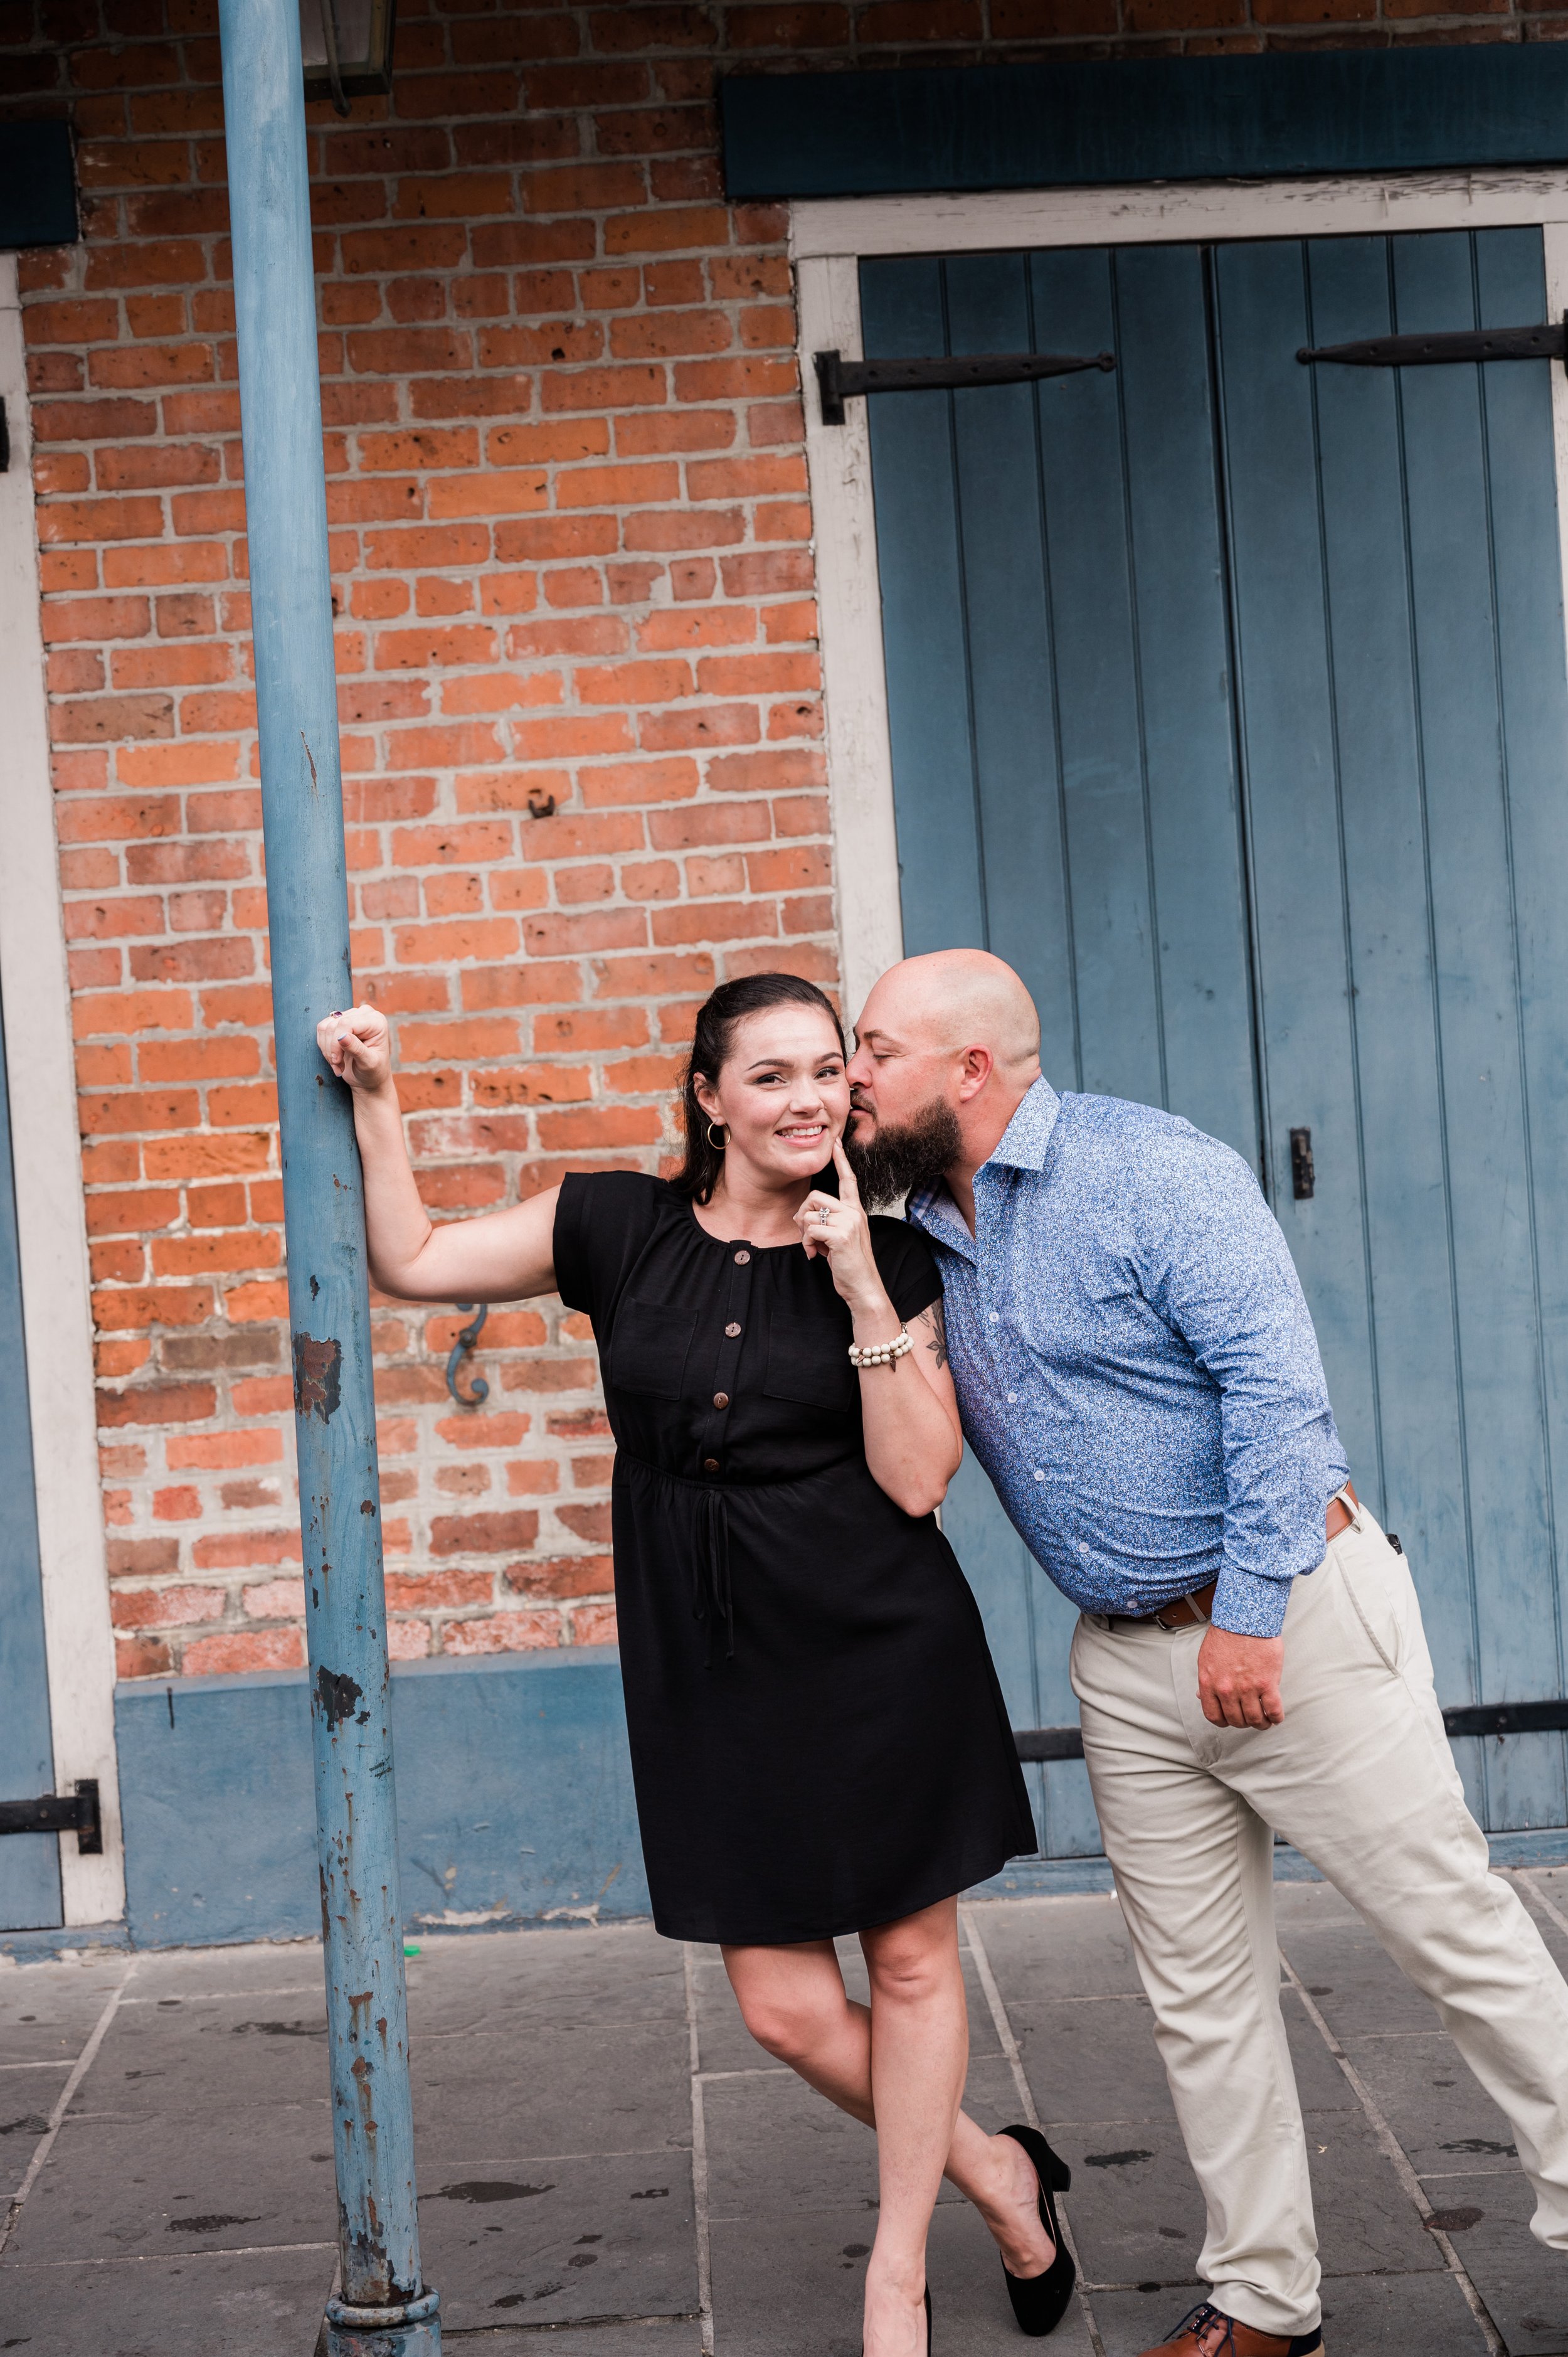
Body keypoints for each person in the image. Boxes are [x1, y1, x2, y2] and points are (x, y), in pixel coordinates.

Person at [317, 971, 1074, 2357]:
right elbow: (413, 1256)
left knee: (909, 1964)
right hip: (709, 1652)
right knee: (782, 2005)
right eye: (769, 1075)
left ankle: (894, 2278)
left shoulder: (896, 1256)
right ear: (708, 1097)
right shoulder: (613, 1222)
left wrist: (852, 1278)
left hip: (875, 1640)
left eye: (827, 1071)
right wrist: (378, 1101)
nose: (808, 1099)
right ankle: (995, 2167)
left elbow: (916, 1482)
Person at [841, 946, 1568, 2357]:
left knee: (1455, 1938)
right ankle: (1262, 2301)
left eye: (872, 1051)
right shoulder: (923, 1228)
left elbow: (1278, 1392)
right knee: (1197, 1995)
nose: (853, 1077)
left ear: (967, 1070)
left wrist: (1242, 1610)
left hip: (1283, 1614)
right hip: (1120, 1663)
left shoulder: (1150, 1170)